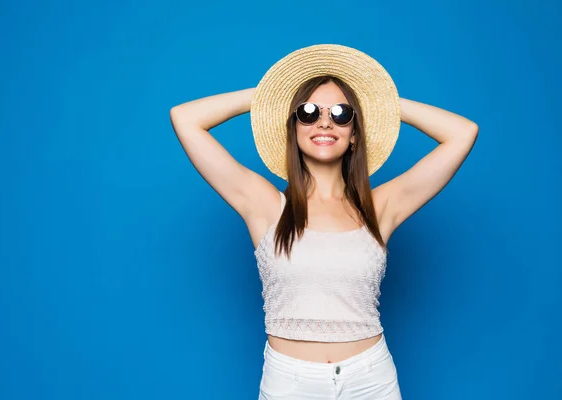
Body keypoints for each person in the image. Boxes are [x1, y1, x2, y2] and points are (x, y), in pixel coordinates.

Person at [169, 44, 478, 399]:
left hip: (371, 379)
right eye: (309, 111)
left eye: (342, 113)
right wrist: (273, 94)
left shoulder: (380, 208)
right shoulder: (265, 204)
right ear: (294, 127)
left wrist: (377, 101)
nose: (325, 121)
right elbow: (185, 118)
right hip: (290, 382)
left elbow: (462, 133)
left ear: (354, 134)